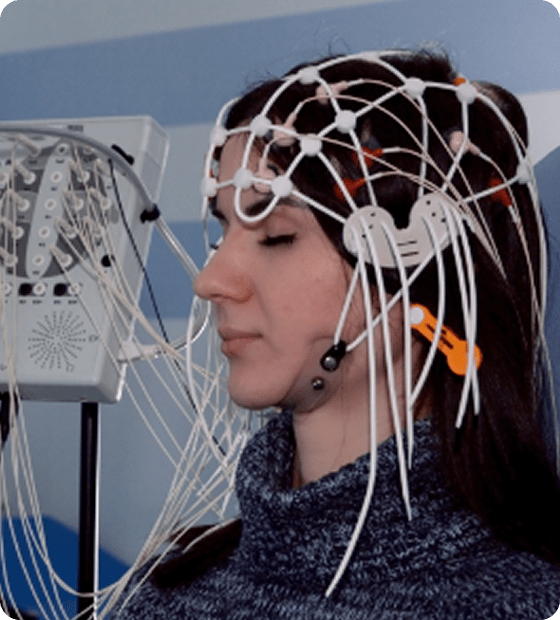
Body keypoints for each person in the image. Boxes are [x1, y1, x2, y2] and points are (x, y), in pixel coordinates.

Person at [111, 47, 560, 619]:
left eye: (276, 236)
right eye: (224, 232)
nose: (211, 281)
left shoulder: (527, 606)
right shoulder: (161, 593)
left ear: (419, 273)